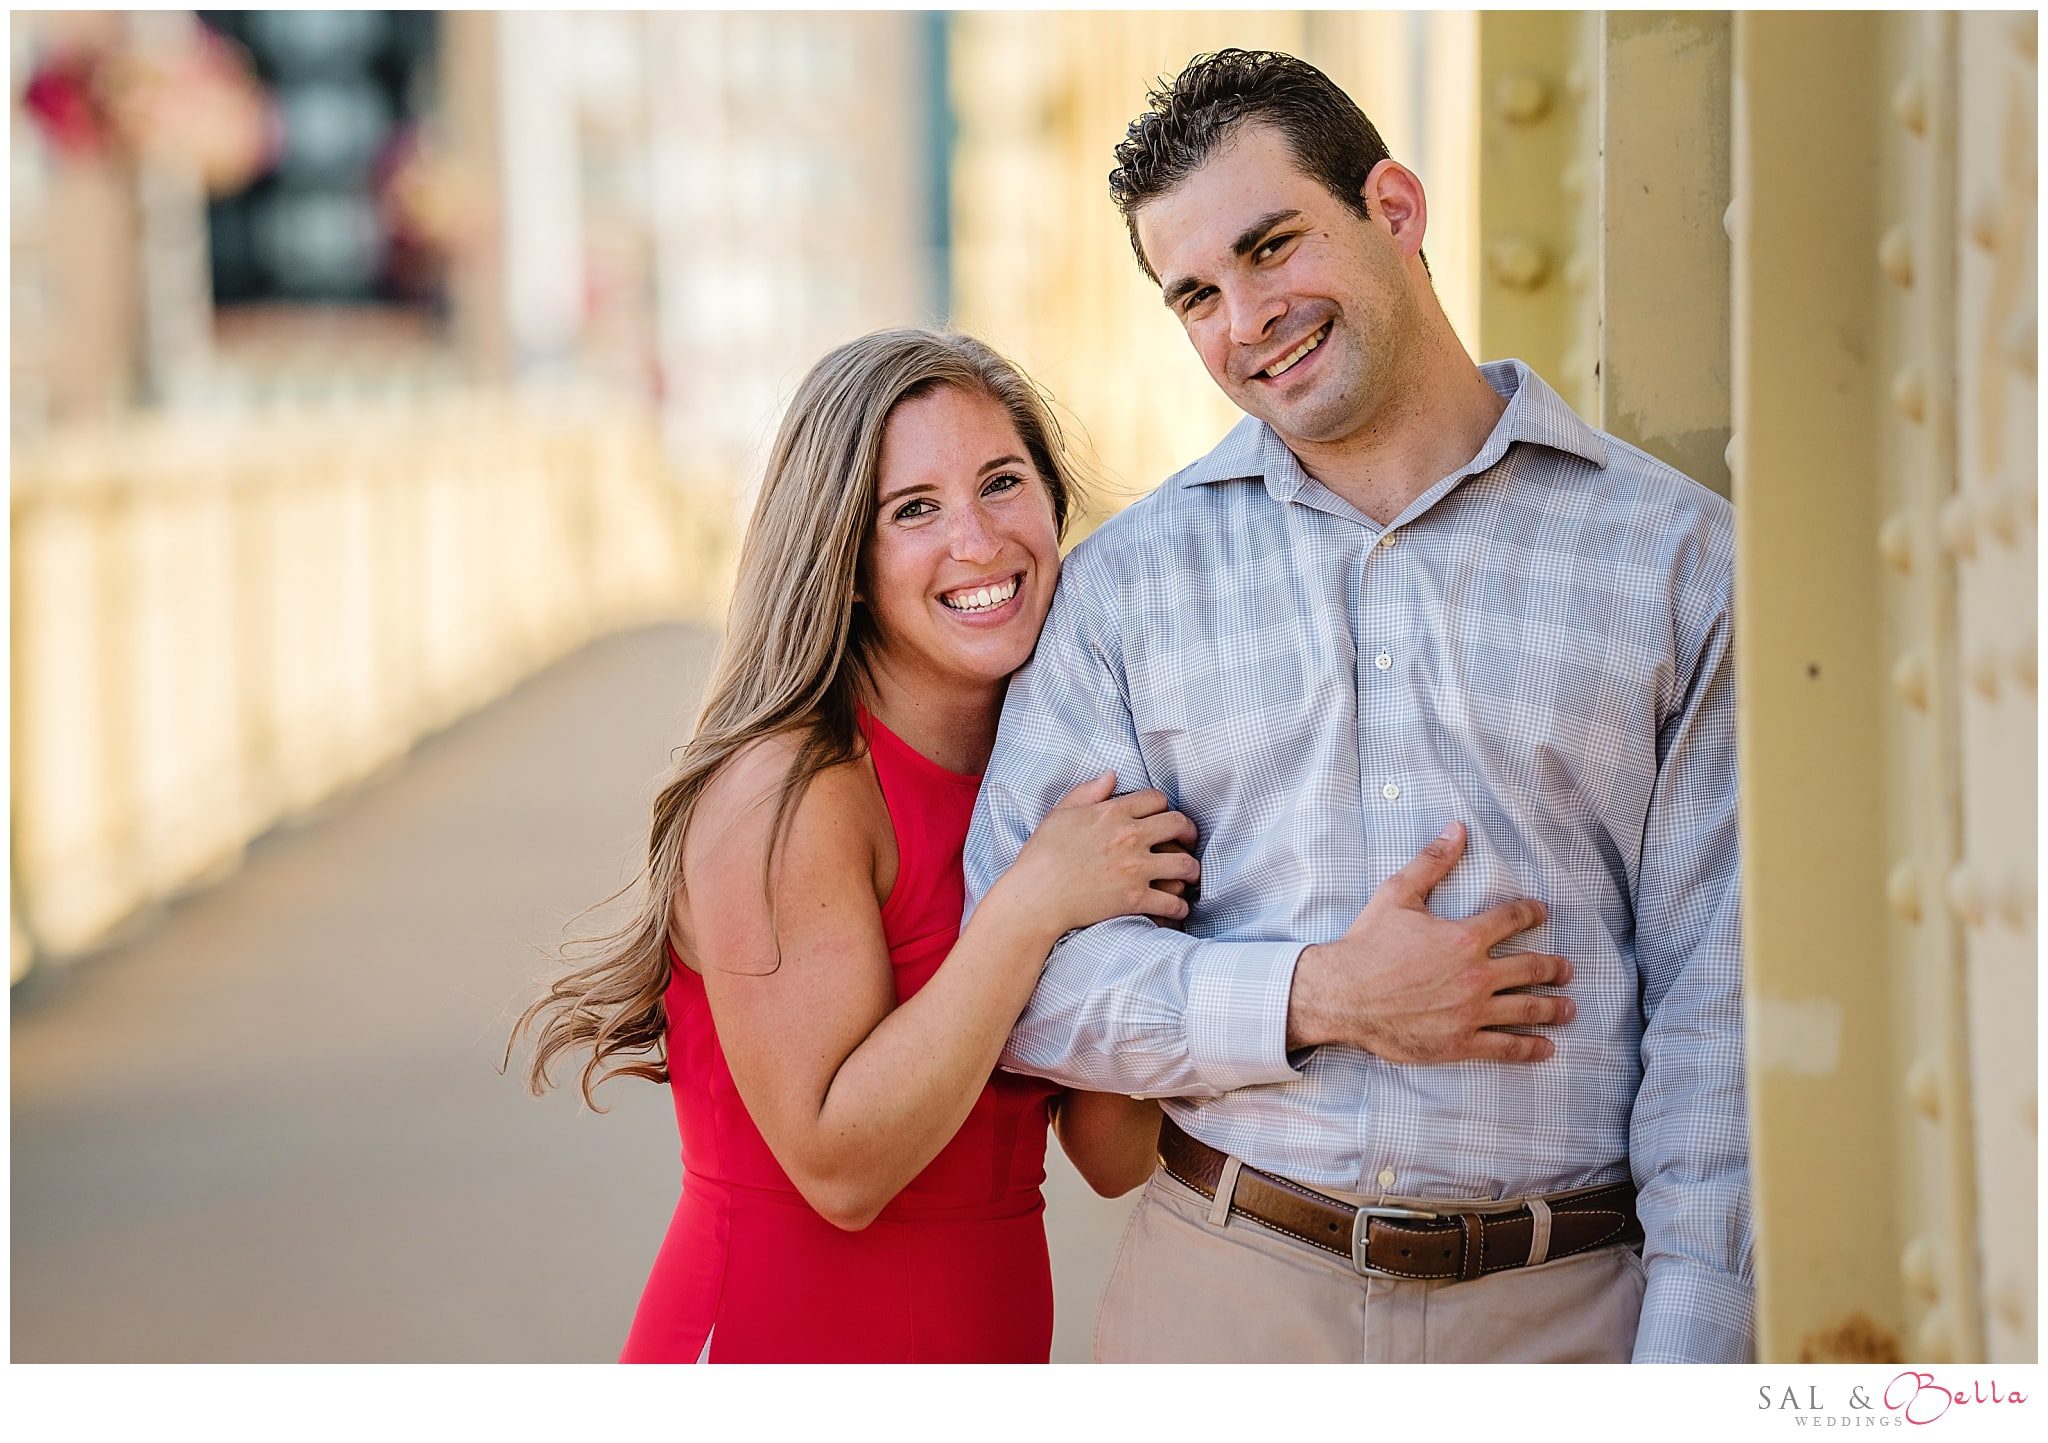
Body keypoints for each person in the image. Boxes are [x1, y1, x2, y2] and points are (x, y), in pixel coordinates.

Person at [964, 49, 1752, 1364]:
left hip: (1569, 1312)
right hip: (1227, 1292)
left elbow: (1714, 1030)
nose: (1247, 317)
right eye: (1197, 295)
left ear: (1394, 207)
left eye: (1273, 246)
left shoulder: (1673, 560)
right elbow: (1027, 985)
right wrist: (1314, 993)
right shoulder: (1125, 591)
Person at [510, 328, 1195, 1363]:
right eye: (912, 509)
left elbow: (1110, 1152)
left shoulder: (1051, 782)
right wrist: (1033, 902)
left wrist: (1293, 979)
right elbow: (840, 1168)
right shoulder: (788, 792)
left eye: (1001, 483)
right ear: (848, 559)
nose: (975, 540)